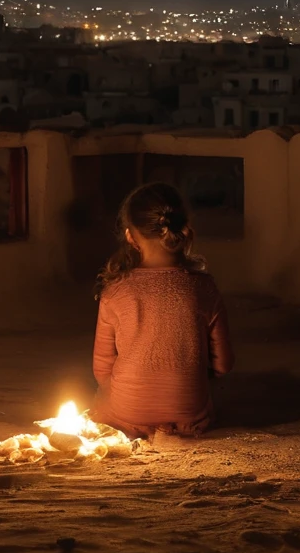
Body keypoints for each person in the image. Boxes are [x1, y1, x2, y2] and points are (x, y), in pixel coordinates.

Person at [92, 182, 233, 440]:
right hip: (190, 417)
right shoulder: (204, 287)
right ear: (182, 230)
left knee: (100, 398)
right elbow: (223, 365)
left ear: (130, 236)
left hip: (129, 416)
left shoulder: (115, 291)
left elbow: (101, 370)